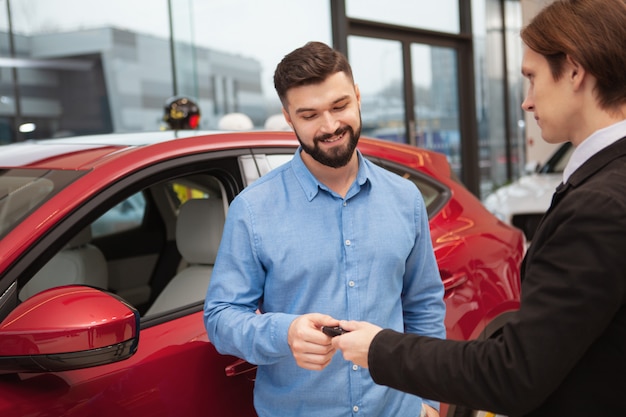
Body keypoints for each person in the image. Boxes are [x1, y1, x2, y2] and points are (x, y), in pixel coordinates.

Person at [332, 0, 626, 415]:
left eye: (531, 78)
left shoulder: (599, 206)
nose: (526, 102)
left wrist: (378, 347)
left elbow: (512, 375)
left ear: (575, 70)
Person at [204, 41, 446, 417]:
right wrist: (283, 332)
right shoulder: (253, 209)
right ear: (288, 117)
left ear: (358, 97)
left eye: (339, 106)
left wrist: (428, 400)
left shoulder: (405, 199)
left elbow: (423, 305)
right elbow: (221, 317)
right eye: (310, 114)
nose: (331, 126)